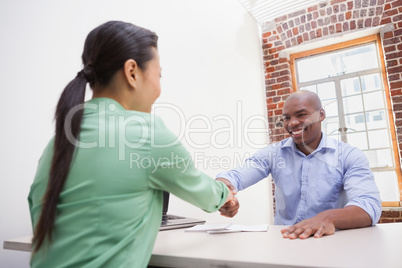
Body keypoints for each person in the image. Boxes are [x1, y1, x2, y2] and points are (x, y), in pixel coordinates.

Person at [28, 21, 234, 268]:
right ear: (132, 72)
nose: (159, 87)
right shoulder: (145, 132)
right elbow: (205, 194)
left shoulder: (58, 143)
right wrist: (225, 193)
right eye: (159, 74)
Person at [217, 90, 382, 239]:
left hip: (331, 243)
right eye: (286, 118)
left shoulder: (349, 156)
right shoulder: (273, 153)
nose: (292, 123)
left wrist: (327, 218)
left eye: (301, 114)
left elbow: (369, 206)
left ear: (321, 114)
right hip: (286, 244)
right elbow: (234, 177)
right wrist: (223, 194)